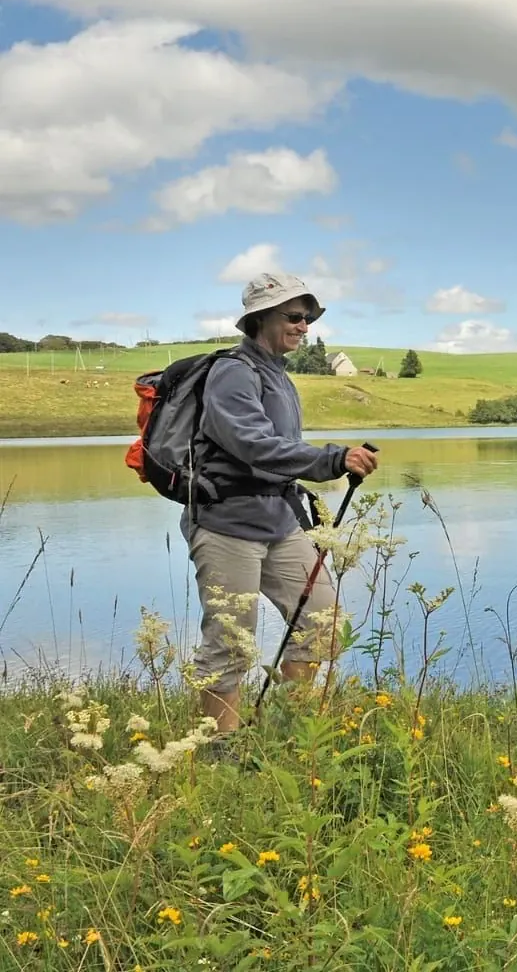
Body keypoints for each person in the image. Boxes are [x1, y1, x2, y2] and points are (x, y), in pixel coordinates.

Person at [186, 273, 378, 733]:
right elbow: (254, 445)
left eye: (308, 318)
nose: (304, 326)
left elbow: (275, 449)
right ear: (259, 318)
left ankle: (286, 735)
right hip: (227, 524)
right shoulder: (232, 371)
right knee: (230, 644)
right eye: (294, 316)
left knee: (324, 623)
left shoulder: (276, 374)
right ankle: (221, 754)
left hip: (279, 522)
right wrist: (333, 460)